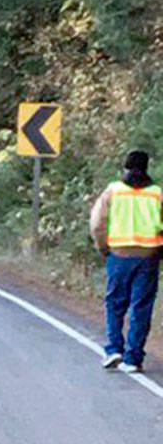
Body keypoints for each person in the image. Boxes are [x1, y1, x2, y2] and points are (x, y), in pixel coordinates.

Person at [89, 148, 163, 373]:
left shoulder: (113, 191)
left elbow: (97, 223)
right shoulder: (157, 193)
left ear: (125, 167)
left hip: (119, 255)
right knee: (141, 306)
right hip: (149, 256)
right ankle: (134, 358)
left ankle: (114, 349)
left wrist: (104, 248)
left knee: (115, 303)